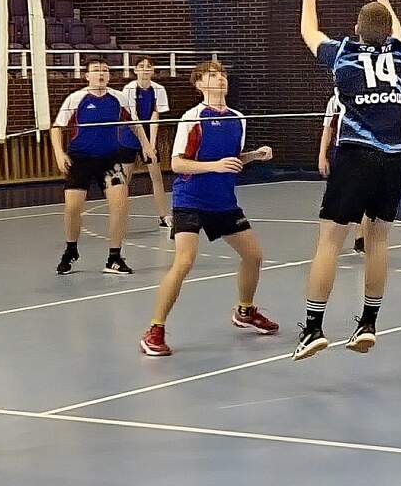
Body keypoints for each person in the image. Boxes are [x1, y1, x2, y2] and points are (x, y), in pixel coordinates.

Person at [291, 0, 401, 361]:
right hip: (395, 159)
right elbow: (394, 28)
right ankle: (368, 324)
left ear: (357, 29)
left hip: (357, 154)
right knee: (377, 241)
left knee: (330, 240)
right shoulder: (398, 54)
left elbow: (309, 33)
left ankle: (313, 329)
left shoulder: (343, 53)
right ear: (387, 31)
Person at [139, 61, 277, 356]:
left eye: (223, 74)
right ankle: (154, 330)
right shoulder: (193, 118)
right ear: (199, 84)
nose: (221, 79)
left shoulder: (238, 118)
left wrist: (254, 155)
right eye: (213, 75)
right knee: (184, 261)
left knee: (253, 256)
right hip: (190, 198)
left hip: (223, 201)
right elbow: (177, 163)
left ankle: (245, 311)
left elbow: (233, 159)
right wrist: (214, 166)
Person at [51, 59, 154, 276]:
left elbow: (135, 124)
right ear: (87, 76)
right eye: (96, 70)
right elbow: (57, 127)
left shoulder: (119, 98)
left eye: (105, 71)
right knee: (72, 208)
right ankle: (71, 250)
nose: (101, 74)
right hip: (80, 160)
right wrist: (59, 153)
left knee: (120, 204)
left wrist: (146, 146)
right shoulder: (76, 99)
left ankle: (114, 258)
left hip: (109, 160)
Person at [121, 56, 172, 228]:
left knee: (156, 176)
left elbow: (155, 116)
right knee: (124, 180)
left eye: (148, 66)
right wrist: (145, 145)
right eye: (141, 66)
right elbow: (133, 118)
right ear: (135, 70)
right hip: (129, 135)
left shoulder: (158, 89)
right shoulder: (129, 89)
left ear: (153, 70)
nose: (145, 69)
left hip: (149, 136)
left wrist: (151, 144)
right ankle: (119, 217)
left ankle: (164, 216)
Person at [319, 95, 368, 252]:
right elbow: (327, 129)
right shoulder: (334, 101)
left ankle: (360, 238)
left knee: (366, 195)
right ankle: (329, 239)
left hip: (366, 152)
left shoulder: (367, 98)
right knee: (339, 197)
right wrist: (322, 156)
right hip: (341, 153)